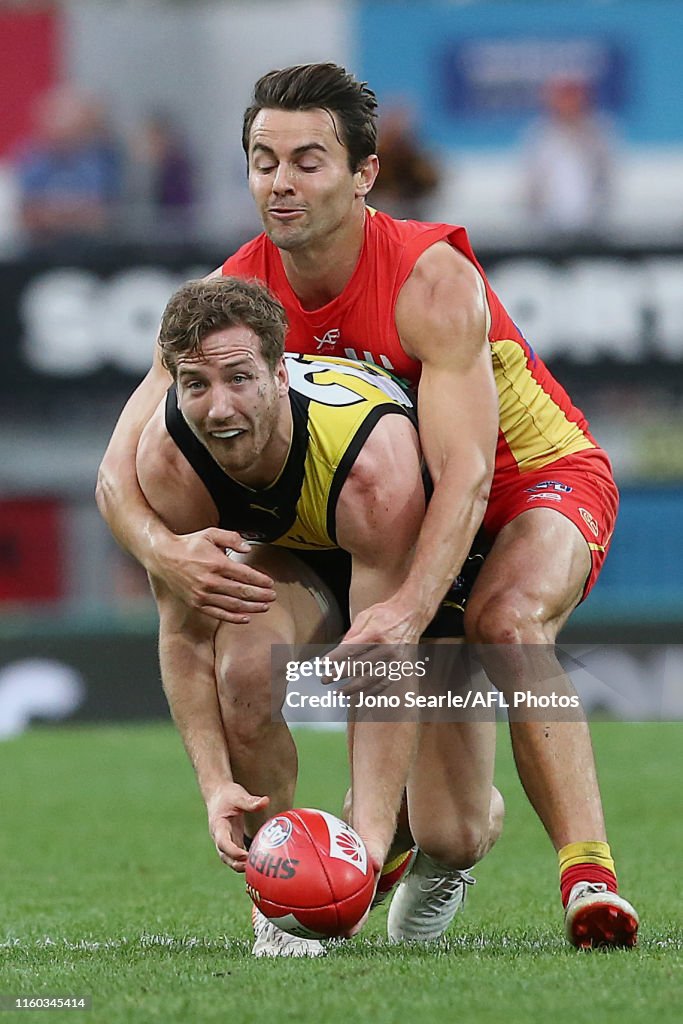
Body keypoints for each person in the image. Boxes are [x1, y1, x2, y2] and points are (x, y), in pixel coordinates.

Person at [96, 63, 638, 949]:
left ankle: (588, 879)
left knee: (504, 622)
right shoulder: (235, 293)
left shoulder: (430, 279)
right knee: (246, 669)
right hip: (373, 517)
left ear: (364, 173)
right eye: (263, 161)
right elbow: (119, 471)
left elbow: (464, 475)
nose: (280, 183)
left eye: (307, 160)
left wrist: (407, 614)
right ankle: (301, 885)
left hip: (521, 486)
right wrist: (162, 551)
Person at [129, 275, 502, 957]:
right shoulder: (167, 460)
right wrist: (216, 788)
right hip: (294, 549)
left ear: (279, 374)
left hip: (417, 567)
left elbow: (385, 665)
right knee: (242, 669)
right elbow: (184, 635)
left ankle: (423, 846)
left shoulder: (372, 466)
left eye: (239, 379)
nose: (217, 409)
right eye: (196, 386)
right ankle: (274, 899)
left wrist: (357, 848)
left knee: (455, 829)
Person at [521, 76, 617, 243]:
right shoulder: (540, 135)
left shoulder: (599, 134)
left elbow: (607, 177)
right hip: (549, 226)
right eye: (563, 98)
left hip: (591, 226)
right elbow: (532, 181)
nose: (568, 104)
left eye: (573, 98)